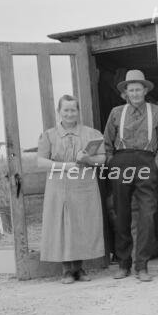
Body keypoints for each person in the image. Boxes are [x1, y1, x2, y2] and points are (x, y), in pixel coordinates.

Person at [103, 69, 158, 282]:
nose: (136, 93)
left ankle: (142, 265)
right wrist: (112, 162)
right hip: (121, 162)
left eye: (139, 89)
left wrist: (156, 163)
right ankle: (123, 264)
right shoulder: (116, 112)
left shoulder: (157, 111)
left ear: (145, 90)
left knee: (147, 214)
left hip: (146, 162)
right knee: (122, 213)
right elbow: (106, 143)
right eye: (132, 89)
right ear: (126, 93)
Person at [37, 95, 106, 284]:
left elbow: (102, 159)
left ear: (78, 112)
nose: (69, 114)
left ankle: (79, 269)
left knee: (81, 224)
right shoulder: (49, 135)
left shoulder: (92, 133)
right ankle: (66, 270)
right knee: (62, 224)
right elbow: (41, 162)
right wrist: (65, 166)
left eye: (73, 110)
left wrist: (88, 160)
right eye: (65, 110)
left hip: (84, 185)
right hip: (58, 185)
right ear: (59, 112)